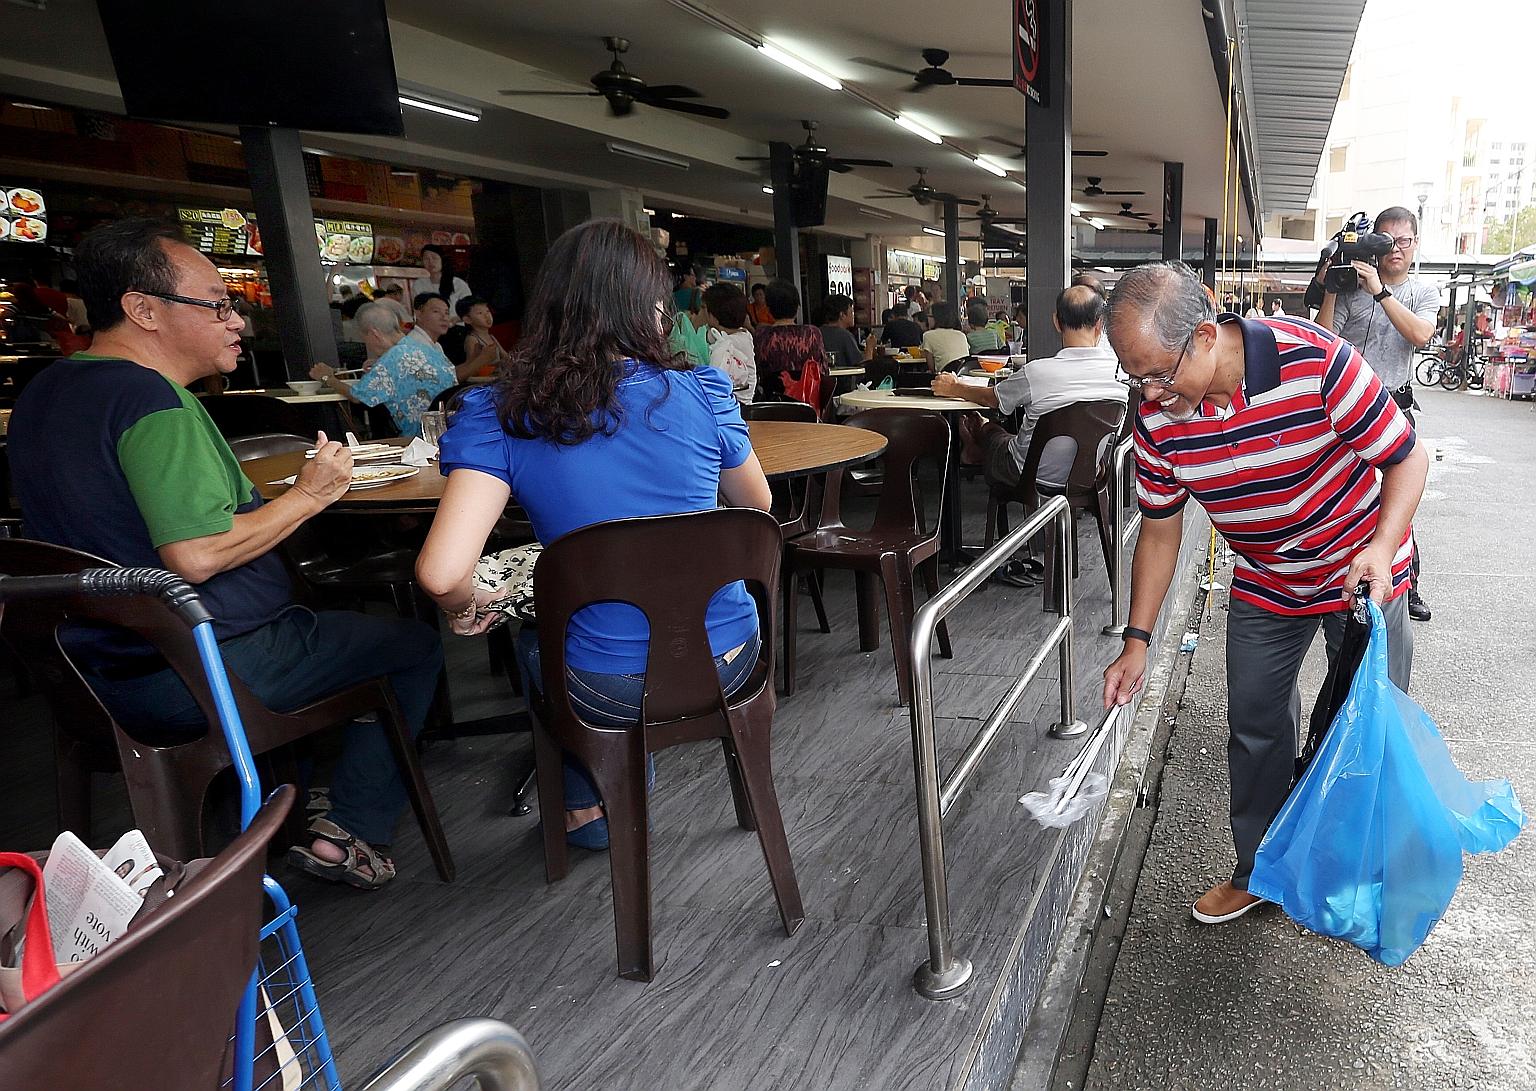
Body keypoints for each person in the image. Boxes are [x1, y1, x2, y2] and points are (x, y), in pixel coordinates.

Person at [7, 219, 443, 889]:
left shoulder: (46, 393)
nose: (236, 319)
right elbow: (197, 556)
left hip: (88, 675)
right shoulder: (152, 401)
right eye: (216, 303)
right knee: (413, 645)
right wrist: (310, 494)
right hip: (198, 669)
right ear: (143, 309)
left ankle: (283, 804)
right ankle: (351, 826)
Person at [414, 219, 773, 851]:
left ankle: (596, 802)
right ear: (652, 307)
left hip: (603, 688)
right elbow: (755, 507)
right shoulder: (702, 392)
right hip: (730, 663)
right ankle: (617, 782)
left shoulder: (502, 414)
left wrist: (467, 607)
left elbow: (442, 575)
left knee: (537, 644)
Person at [1101, 260, 1427, 925]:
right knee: (1254, 726)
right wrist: (1136, 641)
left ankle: (1353, 869)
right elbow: (1160, 533)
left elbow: (1407, 456)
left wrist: (1381, 548)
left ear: (1205, 333)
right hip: (1268, 579)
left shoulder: (1314, 361)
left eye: (1161, 373)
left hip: (1359, 573)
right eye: (1135, 378)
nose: (1152, 393)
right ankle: (1262, 871)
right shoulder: (1157, 416)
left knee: (1366, 727)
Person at [932, 283, 1126, 585]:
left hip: (1028, 474)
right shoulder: (1120, 374)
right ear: (1100, 323)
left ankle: (974, 440)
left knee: (990, 429)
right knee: (1003, 436)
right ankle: (977, 440)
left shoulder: (1038, 372)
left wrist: (954, 387)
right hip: (1088, 476)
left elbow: (993, 398)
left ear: (1056, 321)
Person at [1315, 206, 1439, 622]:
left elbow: (1421, 335)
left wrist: (1381, 294)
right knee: (1340, 496)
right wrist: (1334, 284)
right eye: (1386, 241)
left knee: (1397, 502)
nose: (1396, 250)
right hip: (1348, 411)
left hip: (1395, 407)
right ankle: (1335, 580)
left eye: (1404, 241)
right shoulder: (1352, 289)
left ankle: (1406, 585)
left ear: (1415, 244)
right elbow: (1324, 339)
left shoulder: (1422, 293)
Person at [311, 298, 455, 437]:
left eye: (365, 339)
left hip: (420, 438)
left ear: (374, 334)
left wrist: (327, 378)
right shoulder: (427, 348)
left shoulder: (391, 359)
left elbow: (358, 396)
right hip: (452, 430)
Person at [752, 279, 826, 402]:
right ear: (797, 307)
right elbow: (823, 371)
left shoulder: (761, 335)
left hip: (771, 405)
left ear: (769, 309)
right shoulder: (812, 333)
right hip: (808, 404)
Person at [701, 281, 757, 403]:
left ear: (714, 316)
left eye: (704, 308)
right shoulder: (744, 335)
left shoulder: (727, 342)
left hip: (737, 407)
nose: (702, 313)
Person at [440, 295, 507, 381]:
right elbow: (472, 369)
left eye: (487, 311)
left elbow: (506, 358)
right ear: (468, 320)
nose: (487, 316)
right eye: (480, 313)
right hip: (487, 382)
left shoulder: (492, 337)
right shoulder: (472, 340)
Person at [409, 245, 470, 314]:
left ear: (442, 260)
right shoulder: (419, 284)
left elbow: (469, 310)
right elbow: (418, 310)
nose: (430, 262)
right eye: (426, 258)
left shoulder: (458, 284)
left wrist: (455, 320)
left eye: (434, 258)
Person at [815, 293, 871, 369]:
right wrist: (870, 347)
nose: (853, 315)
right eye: (851, 312)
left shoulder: (816, 333)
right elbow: (862, 367)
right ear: (842, 315)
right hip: (844, 380)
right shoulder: (845, 336)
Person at [921, 302, 971, 370]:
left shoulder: (928, 336)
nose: (927, 319)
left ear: (936, 318)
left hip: (944, 377)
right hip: (963, 376)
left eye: (929, 315)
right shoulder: (961, 335)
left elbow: (931, 368)